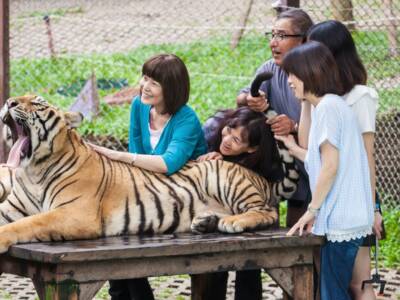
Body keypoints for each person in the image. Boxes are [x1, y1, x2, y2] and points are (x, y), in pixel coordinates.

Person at [91, 53, 207, 300]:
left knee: (124, 232)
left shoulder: (187, 118)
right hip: (152, 191)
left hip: (186, 198)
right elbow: (136, 151)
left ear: (172, 88)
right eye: (145, 78)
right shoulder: (139, 106)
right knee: (118, 234)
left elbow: (168, 163)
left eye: (154, 82)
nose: (145, 86)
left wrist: (116, 156)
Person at [276, 41, 374, 300]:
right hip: (346, 218)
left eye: (292, 75)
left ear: (308, 73)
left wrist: (312, 210)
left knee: (332, 294)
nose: (289, 82)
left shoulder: (329, 108)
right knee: (333, 290)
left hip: (343, 220)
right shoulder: (330, 106)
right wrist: (292, 147)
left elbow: (330, 166)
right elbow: (320, 160)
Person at [307, 20, 383, 300]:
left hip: (355, 203)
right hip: (329, 205)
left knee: (361, 284)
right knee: (339, 282)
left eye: (314, 49)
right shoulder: (325, 99)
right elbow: (308, 145)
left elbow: (366, 157)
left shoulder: (360, 97)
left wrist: (373, 207)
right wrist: (306, 96)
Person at [235, 8, 314, 227]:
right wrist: (250, 99)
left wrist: (294, 126)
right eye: (272, 35)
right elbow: (241, 97)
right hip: (284, 167)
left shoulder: (318, 74)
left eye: (282, 36)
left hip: (317, 164)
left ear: (304, 40)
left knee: (308, 237)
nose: (273, 43)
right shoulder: (270, 68)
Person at [196, 106, 283, 300]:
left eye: (236, 140)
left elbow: (272, 196)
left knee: (249, 268)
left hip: (250, 216)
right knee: (214, 268)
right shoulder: (212, 130)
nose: (226, 140)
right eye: (228, 130)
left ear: (252, 148)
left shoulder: (265, 160)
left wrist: (232, 166)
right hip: (215, 215)